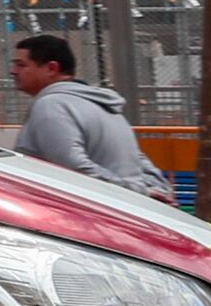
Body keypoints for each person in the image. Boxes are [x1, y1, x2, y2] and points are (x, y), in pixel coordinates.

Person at [8, 32, 161, 195]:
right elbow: (137, 160)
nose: (13, 71)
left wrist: (136, 193)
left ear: (52, 68)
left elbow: (73, 169)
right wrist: (154, 189)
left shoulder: (52, 105)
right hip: (128, 206)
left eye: (21, 65)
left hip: (97, 208)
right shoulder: (102, 103)